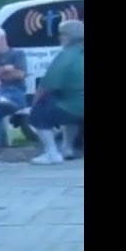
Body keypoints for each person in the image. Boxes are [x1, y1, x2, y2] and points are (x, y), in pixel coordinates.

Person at [28, 20, 84, 165]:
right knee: (71, 113)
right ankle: (67, 148)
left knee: (39, 113)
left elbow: (48, 84)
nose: (59, 38)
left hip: (75, 106)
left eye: (61, 34)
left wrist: (35, 104)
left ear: (68, 36)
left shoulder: (66, 56)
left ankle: (52, 153)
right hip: (76, 105)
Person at [0, 28, 29, 154]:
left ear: (2, 38)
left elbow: (19, 74)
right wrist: (4, 69)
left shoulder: (17, 54)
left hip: (14, 92)